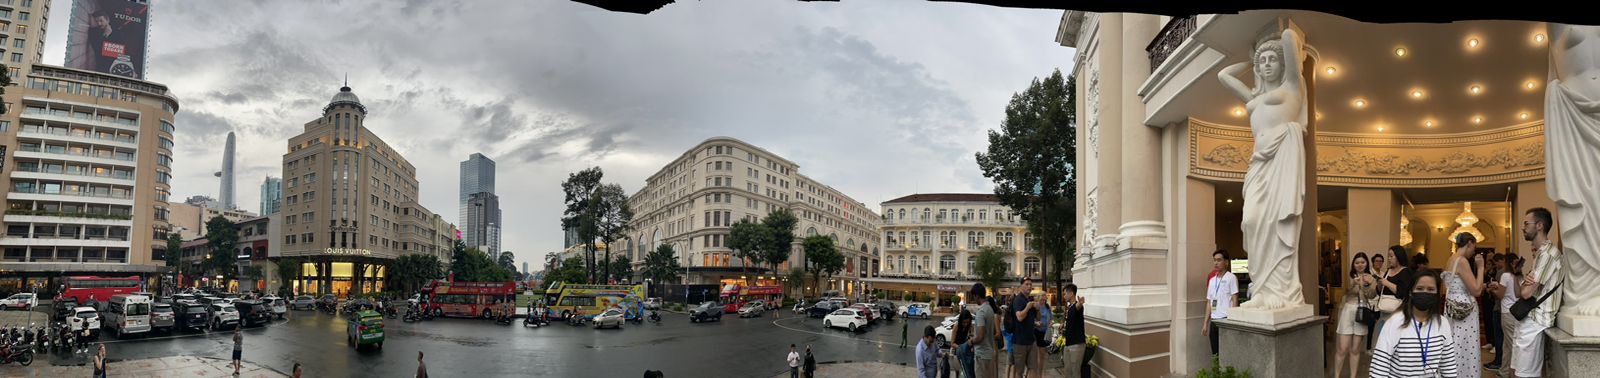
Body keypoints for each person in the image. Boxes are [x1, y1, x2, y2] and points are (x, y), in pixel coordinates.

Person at [1370, 268, 1461, 377]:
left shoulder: (1443, 323)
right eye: (1420, 288)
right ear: (1410, 292)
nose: (1425, 292)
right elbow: (1379, 366)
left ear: (1437, 294)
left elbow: (1448, 365)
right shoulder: (1394, 323)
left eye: (1431, 289)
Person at [1512, 207, 1561, 378]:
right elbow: (1523, 291)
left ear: (1539, 225)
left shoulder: (1548, 254)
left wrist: (1528, 283)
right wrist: (1526, 280)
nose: (1523, 227)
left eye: (1526, 223)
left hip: (1536, 320)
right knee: (1516, 371)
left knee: (1524, 374)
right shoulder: (1540, 254)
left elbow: (1526, 293)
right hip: (1528, 318)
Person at [1443, 233, 1485, 378]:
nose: (1474, 251)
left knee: (1455, 344)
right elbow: (1476, 290)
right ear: (1469, 243)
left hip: (1452, 307)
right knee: (1465, 348)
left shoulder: (1451, 259)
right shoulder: (1462, 261)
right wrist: (1480, 268)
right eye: (1474, 246)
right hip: (1464, 311)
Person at [1334, 252, 1378, 378]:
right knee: (1342, 348)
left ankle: (1353, 376)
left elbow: (1372, 295)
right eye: (1357, 262)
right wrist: (1354, 284)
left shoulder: (1371, 278)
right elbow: (1343, 293)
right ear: (1354, 264)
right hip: (1348, 310)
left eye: (1362, 262)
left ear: (1366, 263)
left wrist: (1364, 284)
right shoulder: (1348, 276)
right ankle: (1336, 376)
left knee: (1355, 349)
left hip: (1362, 312)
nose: (1360, 265)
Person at [1202, 250, 1238, 356]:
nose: (1216, 263)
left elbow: (1235, 298)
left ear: (1226, 262)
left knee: (1226, 353)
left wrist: (1234, 319)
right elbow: (1209, 302)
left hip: (1226, 320)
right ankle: (1217, 372)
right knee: (1215, 353)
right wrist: (1205, 323)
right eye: (1214, 260)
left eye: (1219, 260)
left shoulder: (1231, 278)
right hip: (1214, 321)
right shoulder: (1212, 280)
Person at [1375, 246, 1414, 344]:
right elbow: (1380, 292)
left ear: (1399, 256)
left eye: (1391, 256)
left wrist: (1387, 283)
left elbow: (1402, 292)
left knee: (1393, 341)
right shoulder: (1388, 271)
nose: (1389, 258)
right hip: (1384, 311)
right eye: (1388, 256)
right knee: (1381, 340)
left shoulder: (1406, 271)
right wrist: (1380, 284)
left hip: (1397, 312)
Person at [1492, 253, 1523, 377]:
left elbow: (1501, 295)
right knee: (1508, 343)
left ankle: (1513, 372)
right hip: (1517, 312)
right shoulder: (1519, 276)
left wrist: (1493, 289)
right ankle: (1504, 371)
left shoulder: (1506, 275)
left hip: (1507, 312)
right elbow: (1517, 294)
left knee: (1510, 344)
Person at [1009, 278, 1039, 378]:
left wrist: (1038, 309)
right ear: (1021, 286)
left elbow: (1037, 318)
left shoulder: (1029, 300)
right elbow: (1019, 317)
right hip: (1019, 342)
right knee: (1019, 372)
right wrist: (1027, 307)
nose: (1029, 286)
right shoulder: (1018, 300)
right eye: (1026, 284)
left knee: (1033, 367)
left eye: (1030, 284)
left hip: (1031, 340)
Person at [968, 283, 997, 378]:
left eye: (974, 296)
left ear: (977, 295)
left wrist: (971, 341)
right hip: (989, 353)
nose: (974, 299)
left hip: (981, 354)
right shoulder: (990, 309)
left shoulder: (981, 312)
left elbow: (981, 335)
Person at [1061, 284, 1086, 378]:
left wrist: (1080, 303)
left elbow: (1078, 307)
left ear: (1071, 293)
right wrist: (1063, 325)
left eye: (1065, 294)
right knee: (1067, 372)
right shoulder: (1069, 307)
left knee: (1075, 373)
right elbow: (1071, 320)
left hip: (1077, 344)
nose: (1064, 296)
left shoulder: (1076, 306)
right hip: (1068, 344)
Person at [1031, 292, 1053, 378]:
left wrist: (1050, 323)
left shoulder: (1047, 307)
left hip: (1045, 332)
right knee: (1036, 355)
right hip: (1036, 332)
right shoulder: (1036, 306)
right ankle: (1035, 374)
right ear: (1038, 298)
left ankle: (1040, 374)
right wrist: (1036, 323)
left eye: (1044, 300)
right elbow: (1031, 319)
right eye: (1041, 299)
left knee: (1042, 355)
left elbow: (1051, 318)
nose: (1043, 301)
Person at [954, 305, 976, 378]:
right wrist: (961, 348)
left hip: (967, 354)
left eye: (967, 322)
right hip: (958, 351)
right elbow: (952, 343)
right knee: (960, 373)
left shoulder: (970, 327)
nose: (965, 324)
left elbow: (972, 341)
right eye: (964, 322)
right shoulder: (957, 326)